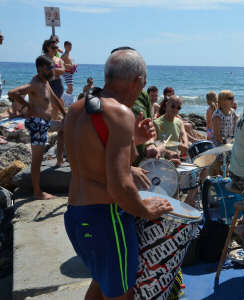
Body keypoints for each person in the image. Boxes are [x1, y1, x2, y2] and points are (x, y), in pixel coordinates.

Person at [63, 48, 173, 300]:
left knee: (101, 283)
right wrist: (147, 209)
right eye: (142, 85)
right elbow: (120, 186)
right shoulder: (121, 113)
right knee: (122, 294)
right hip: (106, 219)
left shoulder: (78, 108)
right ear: (137, 81)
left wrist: (135, 139)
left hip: (77, 215)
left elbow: (96, 161)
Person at [8, 56, 66, 200]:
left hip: (46, 123)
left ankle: (59, 160)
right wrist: (28, 107)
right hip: (37, 124)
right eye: (50, 68)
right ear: (40, 68)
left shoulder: (45, 82)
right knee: (37, 158)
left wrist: (66, 115)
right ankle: (37, 191)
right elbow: (12, 93)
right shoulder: (35, 83)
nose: (52, 70)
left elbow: (55, 99)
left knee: (64, 128)